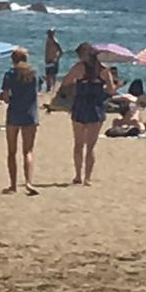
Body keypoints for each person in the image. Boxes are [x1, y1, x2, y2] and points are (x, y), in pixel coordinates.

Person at [60, 42, 112, 185]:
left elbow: (65, 81)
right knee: (90, 146)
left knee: (78, 144)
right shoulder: (104, 70)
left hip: (80, 106)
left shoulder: (79, 68)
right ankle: (87, 178)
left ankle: (78, 175)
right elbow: (111, 90)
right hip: (96, 108)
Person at [0, 47, 39, 195]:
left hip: (14, 113)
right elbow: (38, 91)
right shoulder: (33, 73)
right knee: (28, 151)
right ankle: (28, 182)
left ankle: (13, 185)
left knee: (11, 151)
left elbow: (5, 96)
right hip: (30, 114)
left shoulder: (10, 74)